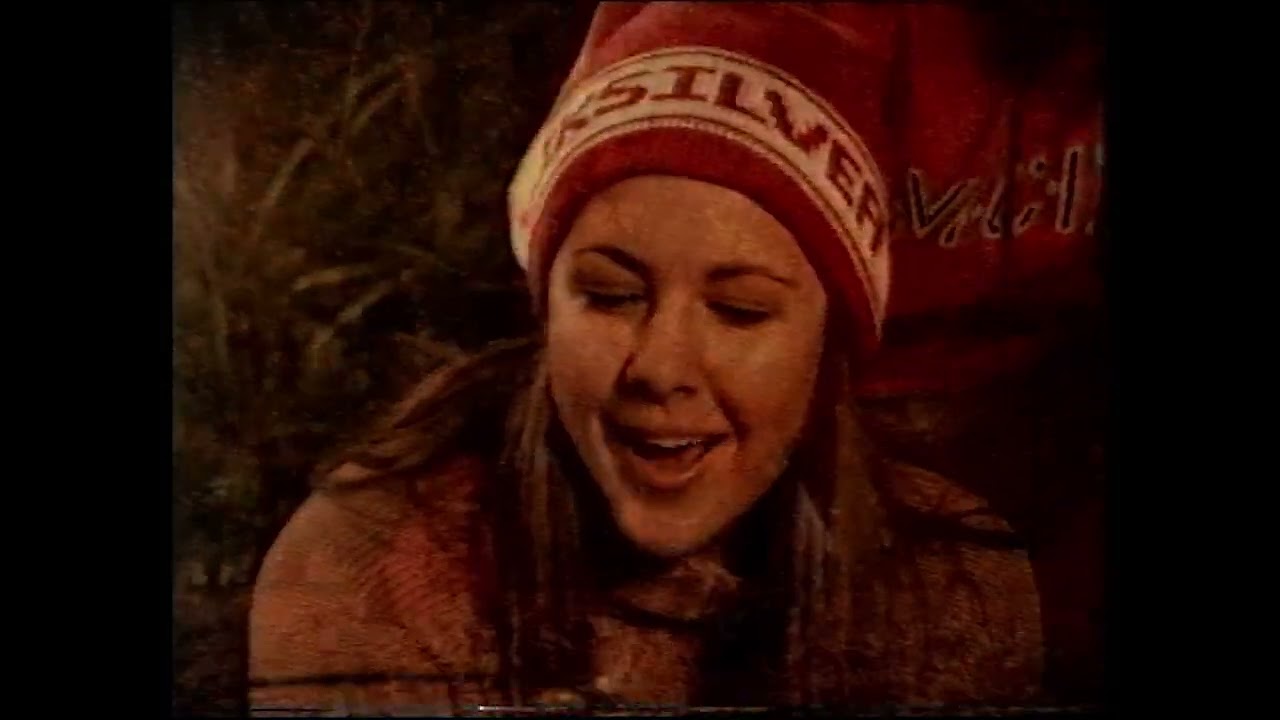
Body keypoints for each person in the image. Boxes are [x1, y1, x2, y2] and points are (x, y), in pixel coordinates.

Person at [248, 1, 1104, 713]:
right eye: (609, 295)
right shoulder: (364, 573)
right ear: (545, 309)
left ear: (828, 347)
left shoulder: (959, 588)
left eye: (740, 310)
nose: (661, 367)